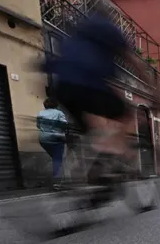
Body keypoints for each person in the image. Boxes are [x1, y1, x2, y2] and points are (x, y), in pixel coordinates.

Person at [42, 10, 149, 158]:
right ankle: (108, 152)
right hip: (88, 86)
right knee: (127, 113)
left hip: (63, 88)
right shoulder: (108, 29)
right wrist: (154, 91)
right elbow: (133, 61)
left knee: (91, 127)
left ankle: (95, 160)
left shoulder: (79, 32)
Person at [36, 98, 68, 187]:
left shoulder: (40, 113)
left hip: (43, 139)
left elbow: (38, 126)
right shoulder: (59, 113)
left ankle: (58, 176)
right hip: (56, 138)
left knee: (56, 158)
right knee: (57, 160)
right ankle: (57, 182)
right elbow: (64, 125)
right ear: (56, 105)